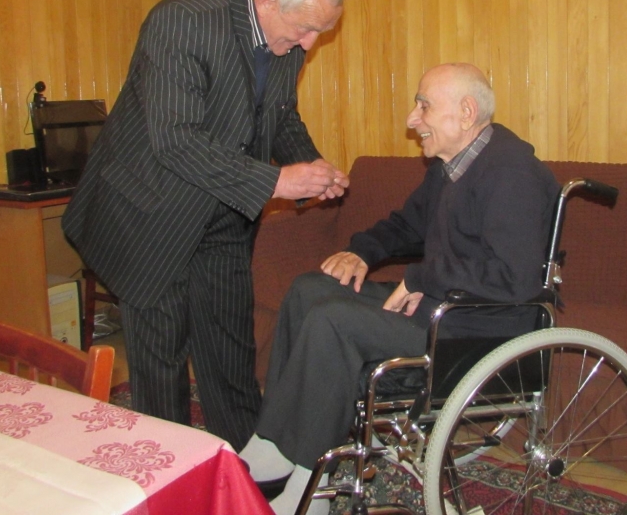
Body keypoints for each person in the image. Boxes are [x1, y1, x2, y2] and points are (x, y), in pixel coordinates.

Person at [240, 63, 561, 515]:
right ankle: (275, 439)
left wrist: (422, 277)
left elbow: (515, 277)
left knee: (334, 321)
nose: (413, 120)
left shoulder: (513, 174)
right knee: (310, 289)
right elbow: (409, 226)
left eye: (423, 106)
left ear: (466, 112)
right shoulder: (451, 167)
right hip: (441, 307)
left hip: (478, 329)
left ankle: (310, 480)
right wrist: (361, 252)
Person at [61, 0, 349, 451]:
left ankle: (244, 467)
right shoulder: (184, 20)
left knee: (229, 351)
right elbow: (176, 140)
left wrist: (312, 168)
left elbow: (278, 113)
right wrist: (277, 182)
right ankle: (169, 467)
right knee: (161, 359)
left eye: (320, 32)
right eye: (306, 29)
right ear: (267, 1)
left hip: (224, 209)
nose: (309, 44)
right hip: (152, 212)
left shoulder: (287, 37)